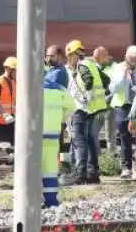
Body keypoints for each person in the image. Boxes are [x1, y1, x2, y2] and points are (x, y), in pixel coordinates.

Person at [107, 45, 136, 179]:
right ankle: (126, 167)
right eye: (130, 61)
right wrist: (123, 76)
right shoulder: (118, 68)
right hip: (123, 105)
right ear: (125, 57)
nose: (132, 64)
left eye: (135, 62)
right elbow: (113, 89)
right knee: (124, 136)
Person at [67, 40, 106, 184]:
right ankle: (93, 173)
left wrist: (88, 95)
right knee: (89, 140)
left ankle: (80, 173)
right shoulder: (92, 65)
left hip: (82, 108)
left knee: (80, 141)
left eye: (69, 56)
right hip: (93, 109)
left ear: (74, 54)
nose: (69, 60)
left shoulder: (82, 66)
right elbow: (106, 80)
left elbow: (88, 81)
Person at [43, 65, 73, 208]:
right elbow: (72, 107)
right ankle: (51, 202)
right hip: (53, 134)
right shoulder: (59, 89)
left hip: (33, 136)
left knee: (31, 169)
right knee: (50, 169)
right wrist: (61, 118)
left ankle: (32, 201)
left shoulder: (28, 87)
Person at [44, 45, 70, 160]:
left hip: (55, 113)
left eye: (52, 56)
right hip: (50, 112)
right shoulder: (52, 70)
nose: (49, 58)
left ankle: (57, 167)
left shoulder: (59, 73)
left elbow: (48, 89)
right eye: (47, 56)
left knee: (55, 142)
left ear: (59, 56)